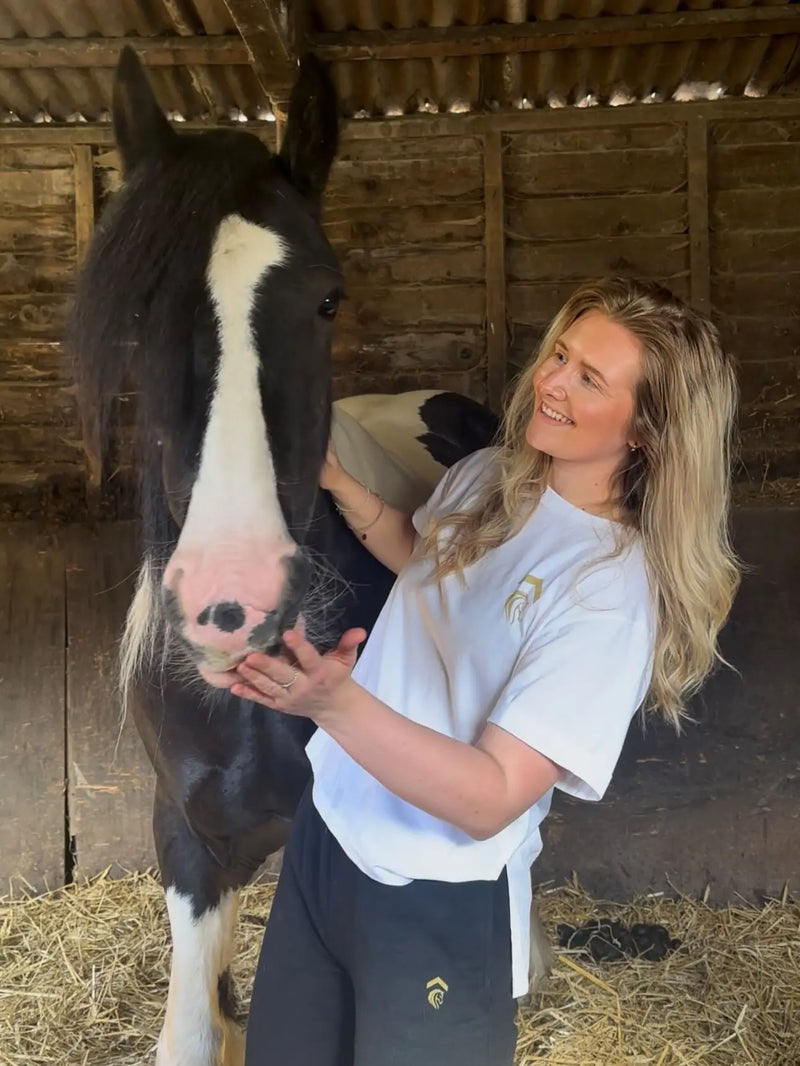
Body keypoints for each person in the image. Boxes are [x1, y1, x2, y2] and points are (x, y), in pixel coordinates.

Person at [234, 276, 741, 1066]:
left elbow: (490, 798)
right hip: (329, 832)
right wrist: (338, 483)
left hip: (436, 893)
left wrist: (333, 705)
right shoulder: (490, 475)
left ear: (647, 430)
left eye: (589, 379)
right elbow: (426, 563)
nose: (552, 382)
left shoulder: (607, 590)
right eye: (561, 355)